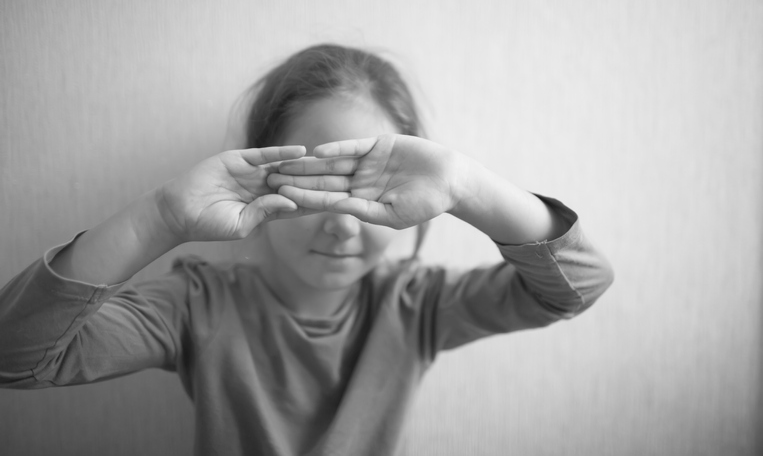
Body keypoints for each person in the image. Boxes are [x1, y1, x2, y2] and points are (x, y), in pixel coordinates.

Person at [0, 44, 614, 455]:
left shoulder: (418, 304)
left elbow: (578, 286)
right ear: (260, 175)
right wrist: (160, 217)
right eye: (318, 188)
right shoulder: (197, 304)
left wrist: (466, 185)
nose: (342, 226)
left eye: (370, 192)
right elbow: (16, 356)